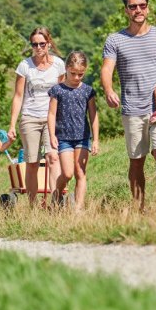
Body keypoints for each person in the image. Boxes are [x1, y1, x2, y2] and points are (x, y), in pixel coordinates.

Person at [101, 0, 156, 212]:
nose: (138, 10)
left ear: (148, 8)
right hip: (132, 109)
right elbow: (107, 69)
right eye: (133, 6)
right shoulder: (115, 40)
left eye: (142, 5)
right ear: (126, 10)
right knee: (137, 161)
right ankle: (139, 207)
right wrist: (108, 90)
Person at [8, 27, 65, 207]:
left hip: (52, 117)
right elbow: (18, 96)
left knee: (53, 157)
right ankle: (33, 205)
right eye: (34, 44)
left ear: (49, 43)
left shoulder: (58, 65)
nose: (38, 47)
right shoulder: (25, 66)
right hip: (30, 117)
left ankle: (56, 202)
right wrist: (12, 124)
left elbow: (63, 93)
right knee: (32, 162)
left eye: (42, 44)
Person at [47, 51, 100, 210]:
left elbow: (93, 116)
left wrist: (96, 139)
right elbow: (51, 114)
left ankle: (78, 209)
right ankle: (56, 195)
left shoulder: (87, 91)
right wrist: (51, 135)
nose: (77, 77)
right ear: (66, 68)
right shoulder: (57, 90)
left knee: (80, 173)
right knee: (68, 173)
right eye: (73, 73)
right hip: (63, 138)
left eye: (80, 74)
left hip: (82, 137)